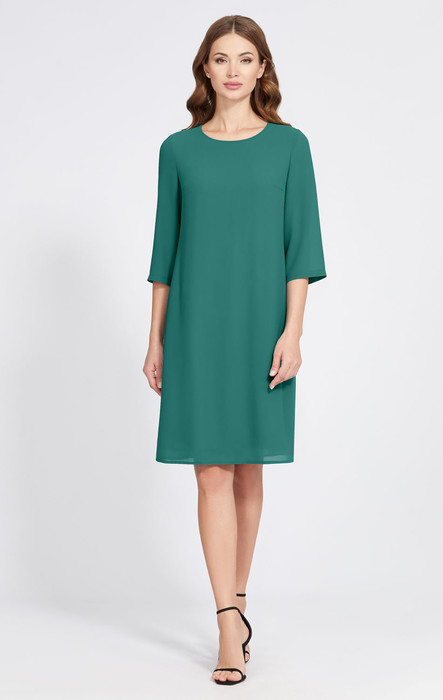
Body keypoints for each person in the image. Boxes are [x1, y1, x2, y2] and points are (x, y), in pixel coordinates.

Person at [143, 14, 327, 686]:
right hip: (196, 324)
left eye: (245, 59)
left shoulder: (289, 146)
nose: (232, 70)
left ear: (262, 69)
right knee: (210, 472)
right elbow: (164, 252)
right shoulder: (178, 150)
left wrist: (293, 332)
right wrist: (156, 337)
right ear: (205, 68)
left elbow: (301, 247)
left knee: (249, 469)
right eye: (220, 58)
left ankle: (238, 601)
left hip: (261, 324)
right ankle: (227, 622)